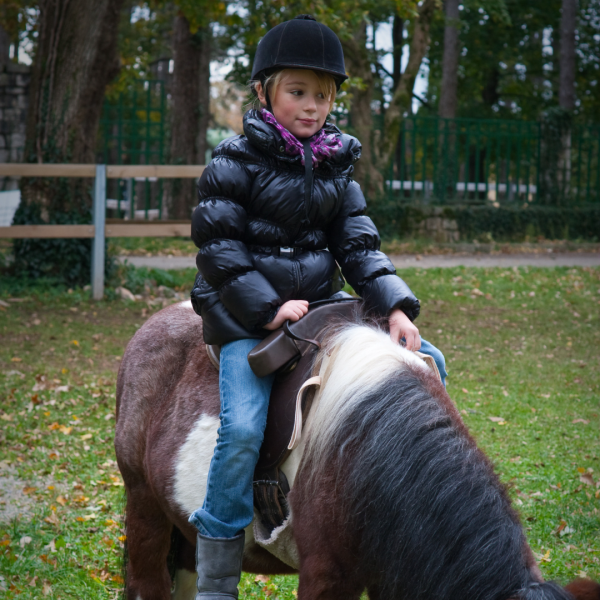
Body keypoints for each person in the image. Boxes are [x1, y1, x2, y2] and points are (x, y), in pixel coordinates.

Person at [188, 14, 447, 599]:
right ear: (265, 92)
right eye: (297, 91)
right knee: (244, 428)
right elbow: (219, 248)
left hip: (321, 310)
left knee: (429, 367)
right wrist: (268, 307)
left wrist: (397, 310)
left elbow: (358, 245)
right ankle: (216, 577)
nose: (311, 106)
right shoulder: (232, 162)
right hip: (242, 312)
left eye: (322, 95)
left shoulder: (336, 164)